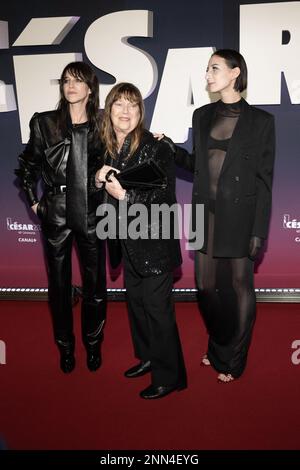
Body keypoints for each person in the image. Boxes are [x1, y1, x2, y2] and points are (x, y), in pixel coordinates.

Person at [172, 49, 275, 382]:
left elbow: (264, 180)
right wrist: (172, 150)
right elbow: (198, 166)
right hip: (205, 214)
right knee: (204, 287)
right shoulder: (201, 115)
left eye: (214, 68)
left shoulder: (261, 121)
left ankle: (234, 358)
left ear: (234, 73)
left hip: (241, 217)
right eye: (206, 69)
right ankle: (219, 345)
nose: (207, 74)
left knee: (240, 286)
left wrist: (258, 229)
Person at [95, 82, 187, 399]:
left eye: (133, 105)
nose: (126, 111)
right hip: (126, 240)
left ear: (140, 113)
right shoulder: (107, 148)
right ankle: (148, 358)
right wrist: (98, 178)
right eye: (119, 104)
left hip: (154, 242)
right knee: (136, 305)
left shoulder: (156, 147)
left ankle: (170, 376)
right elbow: (97, 188)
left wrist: (125, 194)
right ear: (109, 110)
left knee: (157, 309)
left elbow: (164, 196)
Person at [15, 62, 106, 373]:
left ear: (90, 88)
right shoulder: (45, 122)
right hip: (56, 210)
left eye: (78, 81)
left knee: (95, 285)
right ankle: (65, 347)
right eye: (66, 80)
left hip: (92, 210)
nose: (70, 86)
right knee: (59, 285)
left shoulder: (102, 124)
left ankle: (93, 346)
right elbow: (27, 167)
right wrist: (34, 203)